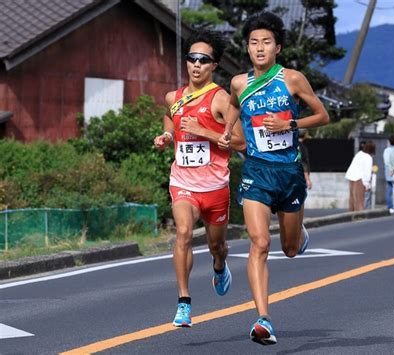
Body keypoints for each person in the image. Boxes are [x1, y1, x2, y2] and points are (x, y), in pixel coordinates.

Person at [218, 12, 329, 345]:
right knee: (260, 243)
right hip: (256, 171)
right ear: (248, 49)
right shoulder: (239, 82)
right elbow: (235, 105)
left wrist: (290, 126)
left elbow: (322, 115)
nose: (260, 48)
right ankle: (263, 319)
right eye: (254, 43)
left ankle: (297, 232)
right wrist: (227, 130)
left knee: (290, 249)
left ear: (277, 47)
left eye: (266, 42)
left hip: (289, 172)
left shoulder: (292, 79)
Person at [154, 30, 245, 328]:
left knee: (216, 246)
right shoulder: (174, 97)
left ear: (214, 66)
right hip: (183, 182)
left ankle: (219, 265)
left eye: (203, 60)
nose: (196, 65)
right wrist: (168, 135)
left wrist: (205, 131)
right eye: (191, 58)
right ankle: (184, 302)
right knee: (182, 232)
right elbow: (170, 114)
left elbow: (241, 144)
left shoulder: (220, 99)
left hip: (215, 187)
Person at [345, 141, 375, 212]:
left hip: (351, 176)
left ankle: (351, 213)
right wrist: (367, 184)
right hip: (359, 178)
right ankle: (359, 215)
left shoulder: (359, 154)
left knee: (352, 198)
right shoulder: (368, 157)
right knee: (359, 199)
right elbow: (367, 172)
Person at [383, 135, 394, 210]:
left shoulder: (386, 150)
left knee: (389, 189)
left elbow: (386, 161)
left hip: (388, 171)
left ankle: (390, 206)